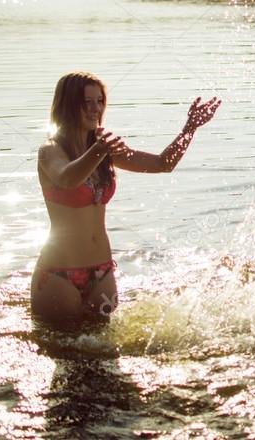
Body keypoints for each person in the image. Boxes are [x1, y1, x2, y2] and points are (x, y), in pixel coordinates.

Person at [32, 71, 220, 322]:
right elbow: (67, 178)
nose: (95, 109)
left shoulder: (104, 151)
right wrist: (99, 151)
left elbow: (163, 163)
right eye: (87, 102)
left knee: (107, 353)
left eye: (99, 101)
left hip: (102, 273)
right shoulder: (51, 151)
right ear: (68, 105)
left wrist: (190, 128)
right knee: (66, 353)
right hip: (58, 275)